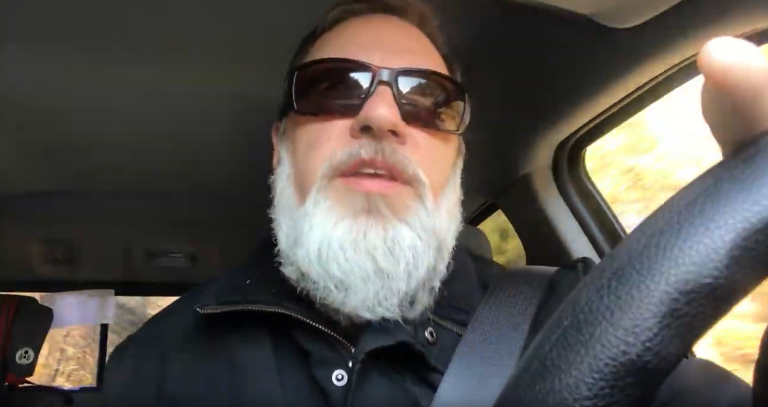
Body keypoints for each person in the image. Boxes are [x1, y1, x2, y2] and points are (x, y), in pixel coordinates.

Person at [102, 0, 768, 406]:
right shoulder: (155, 366)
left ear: (456, 158)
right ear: (280, 147)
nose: (382, 116)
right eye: (335, 87)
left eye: (428, 100)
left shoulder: (576, 318)